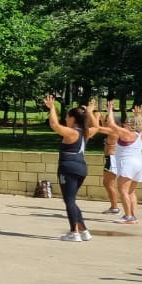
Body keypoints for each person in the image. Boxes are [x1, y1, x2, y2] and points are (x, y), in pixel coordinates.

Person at [45, 95, 99, 241]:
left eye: (67, 117)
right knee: (71, 200)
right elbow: (97, 127)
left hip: (68, 168)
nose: (66, 119)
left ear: (73, 119)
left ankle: (74, 233)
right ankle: (84, 230)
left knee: (69, 201)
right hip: (81, 168)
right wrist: (90, 112)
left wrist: (52, 108)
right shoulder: (86, 133)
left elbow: (54, 125)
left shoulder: (72, 132)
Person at [100, 101, 142, 224]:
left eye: (126, 122)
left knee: (123, 191)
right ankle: (133, 216)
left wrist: (110, 111)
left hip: (128, 165)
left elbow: (112, 124)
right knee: (131, 192)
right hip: (139, 165)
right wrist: (139, 116)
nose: (123, 124)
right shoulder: (140, 134)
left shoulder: (126, 133)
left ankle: (128, 217)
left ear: (129, 125)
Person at [92, 107, 121, 215]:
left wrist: (96, 117)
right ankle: (114, 206)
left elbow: (97, 128)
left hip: (111, 159)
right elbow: (104, 128)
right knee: (108, 183)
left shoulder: (113, 131)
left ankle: (115, 207)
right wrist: (102, 118)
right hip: (112, 159)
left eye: (108, 120)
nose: (106, 121)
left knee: (109, 184)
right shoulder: (114, 130)